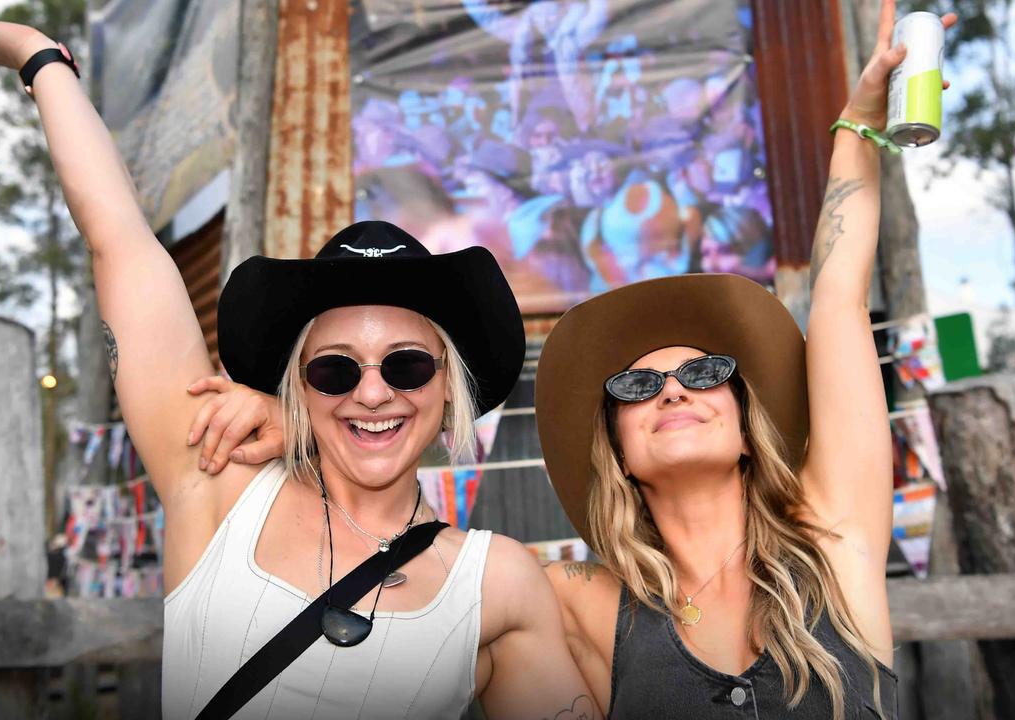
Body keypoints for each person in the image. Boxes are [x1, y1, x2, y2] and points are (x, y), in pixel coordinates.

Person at [188, 3, 955, 718]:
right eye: (638, 384)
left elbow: (841, 301)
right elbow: (416, 625)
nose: (672, 391)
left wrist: (857, 124)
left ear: (749, 424)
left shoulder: (834, 542)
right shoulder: (576, 602)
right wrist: (298, 415)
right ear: (615, 446)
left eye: (704, 373)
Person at [0, 18, 599, 719]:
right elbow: (120, 239)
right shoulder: (217, 484)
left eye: (408, 366)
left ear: (449, 390)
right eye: (334, 372)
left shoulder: (496, 582)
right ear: (297, 390)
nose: (373, 390)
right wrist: (36, 54)